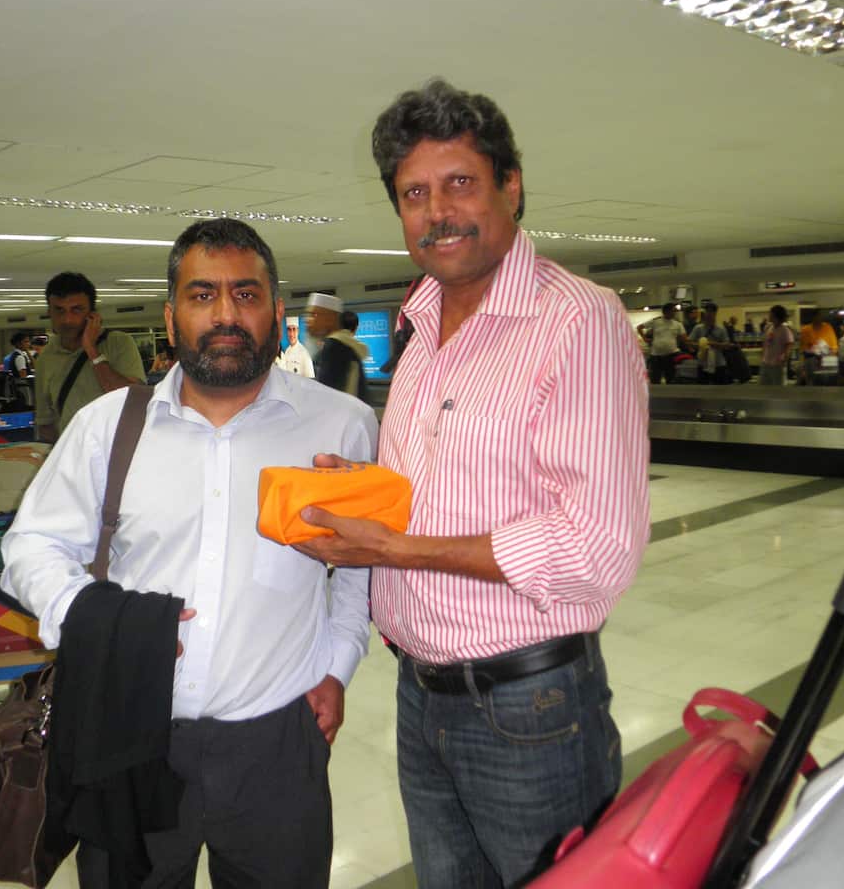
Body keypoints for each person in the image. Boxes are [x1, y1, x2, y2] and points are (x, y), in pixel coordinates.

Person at [294, 79, 650, 888]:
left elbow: (595, 549)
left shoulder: (577, 320)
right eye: (414, 193)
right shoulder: (422, 326)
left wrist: (401, 547)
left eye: (460, 183)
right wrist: (372, 489)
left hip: (530, 709)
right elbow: (449, 484)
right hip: (421, 697)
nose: (437, 211)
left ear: (510, 187)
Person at [1, 218, 377, 887]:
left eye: (247, 294)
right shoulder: (106, 426)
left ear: (278, 313)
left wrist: (338, 663)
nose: (226, 315)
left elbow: (356, 570)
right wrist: (99, 619)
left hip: (277, 748)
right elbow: (31, 546)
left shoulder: (341, 424)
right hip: (130, 736)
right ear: (171, 318)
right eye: (203, 295)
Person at [33, 271, 145, 442]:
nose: (67, 320)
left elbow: (132, 399)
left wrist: (92, 350)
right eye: (59, 310)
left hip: (118, 449)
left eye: (76, 310)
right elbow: (46, 422)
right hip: (73, 456)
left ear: (92, 313)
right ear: (49, 312)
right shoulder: (46, 358)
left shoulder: (119, 344)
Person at [306, 295, 369, 401]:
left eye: (314, 315)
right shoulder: (346, 346)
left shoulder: (334, 347)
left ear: (331, 318)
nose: (307, 320)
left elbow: (326, 398)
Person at [645, 302, 688, 384]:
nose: (674, 313)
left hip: (671, 355)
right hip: (656, 355)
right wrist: (645, 338)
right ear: (666, 311)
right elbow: (640, 327)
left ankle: (671, 395)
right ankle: (655, 395)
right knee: (655, 378)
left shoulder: (678, 324)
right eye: (673, 311)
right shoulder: (656, 322)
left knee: (670, 378)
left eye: (675, 311)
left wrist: (688, 344)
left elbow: (684, 338)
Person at [689, 302, 732, 384]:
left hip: (718, 363)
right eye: (707, 311)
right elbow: (690, 342)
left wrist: (713, 344)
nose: (709, 314)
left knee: (720, 389)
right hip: (702, 363)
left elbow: (727, 345)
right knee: (702, 388)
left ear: (715, 313)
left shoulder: (721, 329)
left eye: (711, 312)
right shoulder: (698, 328)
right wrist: (701, 345)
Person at [759, 304, 794, 385]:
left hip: (777, 365)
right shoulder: (768, 327)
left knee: (778, 391)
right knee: (763, 388)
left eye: (770, 313)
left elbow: (789, 345)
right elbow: (765, 343)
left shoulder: (785, 330)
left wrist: (784, 358)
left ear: (775, 315)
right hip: (766, 364)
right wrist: (763, 356)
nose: (768, 315)